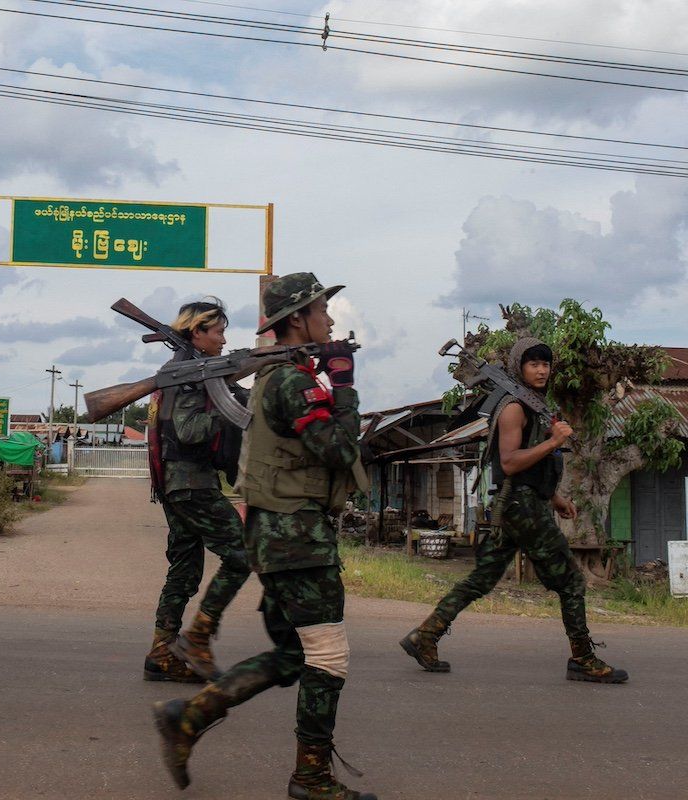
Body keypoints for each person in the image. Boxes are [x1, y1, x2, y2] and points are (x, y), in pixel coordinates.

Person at [152, 273, 376, 800]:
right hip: (298, 540)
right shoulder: (294, 383)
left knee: (295, 654)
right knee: (327, 656)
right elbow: (342, 451)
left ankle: (190, 716)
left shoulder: (285, 378)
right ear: (297, 319)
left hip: (279, 539)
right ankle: (312, 777)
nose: (330, 319)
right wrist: (343, 386)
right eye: (323, 309)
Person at [400, 337, 627, 684]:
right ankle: (582, 658)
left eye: (545, 364)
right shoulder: (514, 409)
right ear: (519, 367)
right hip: (522, 508)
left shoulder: (535, 406)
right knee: (570, 582)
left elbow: (532, 467)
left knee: (481, 579)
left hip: (519, 504)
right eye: (533, 364)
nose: (541, 370)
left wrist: (556, 499)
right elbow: (509, 462)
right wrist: (554, 441)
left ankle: (425, 635)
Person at [144, 298, 251, 683]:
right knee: (243, 553)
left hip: (177, 485)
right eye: (218, 332)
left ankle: (161, 653)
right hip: (191, 484)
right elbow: (189, 431)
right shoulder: (188, 375)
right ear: (197, 333)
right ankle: (197, 637)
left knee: (184, 571)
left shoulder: (191, 371)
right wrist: (229, 408)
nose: (223, 340)